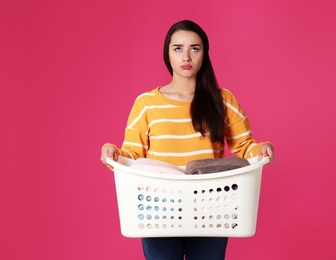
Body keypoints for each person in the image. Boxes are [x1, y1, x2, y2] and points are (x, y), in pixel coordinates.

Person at [100, 20, 274, 260]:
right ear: (167, 54)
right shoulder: (147, 103)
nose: (186, 56)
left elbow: (245, 147)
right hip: (159, 209)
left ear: (204, 53)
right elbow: (132, 153)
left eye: (195, 48)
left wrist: (262, 148)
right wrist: (113, 153)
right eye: (178, 48)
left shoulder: (222, 100)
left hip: (210, 208)